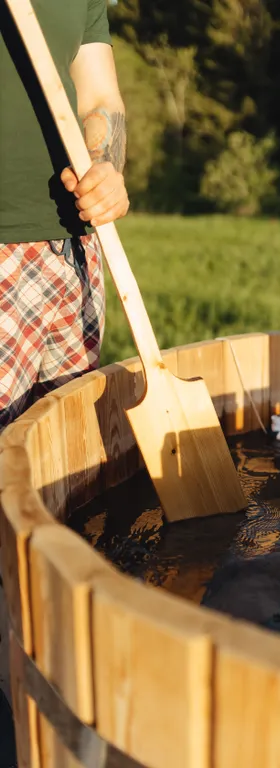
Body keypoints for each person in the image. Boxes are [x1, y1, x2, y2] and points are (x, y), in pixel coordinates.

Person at [0, 1, 128, 762]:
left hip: (73, 254)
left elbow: (100, 96)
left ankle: (52, 702)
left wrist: (107, 163)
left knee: (63, 492)